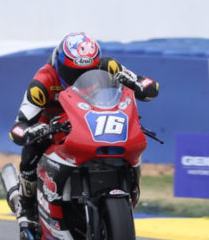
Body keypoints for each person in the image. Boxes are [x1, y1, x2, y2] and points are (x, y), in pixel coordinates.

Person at [8, 33, 159, 227]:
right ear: (59, 65)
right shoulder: (43, 82)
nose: (78, 78)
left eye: (87, 71)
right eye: (73, 72)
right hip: (54, 127)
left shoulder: (109, 66)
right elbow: (18, 128)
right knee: (31, 154)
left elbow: (150, 86)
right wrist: (34, 131)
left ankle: (128, 189)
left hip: (93, 121)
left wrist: (135, 84)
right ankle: (26, 205)